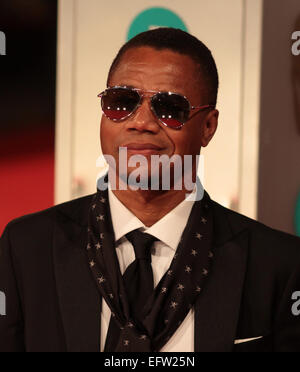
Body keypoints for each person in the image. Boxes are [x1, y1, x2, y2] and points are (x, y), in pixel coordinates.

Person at [0, 28, 300, 352]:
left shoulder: (278, 266)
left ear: (208, 126)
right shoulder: (26, 250)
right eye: (121, 102)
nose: (140, 121)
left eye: (169, 108)